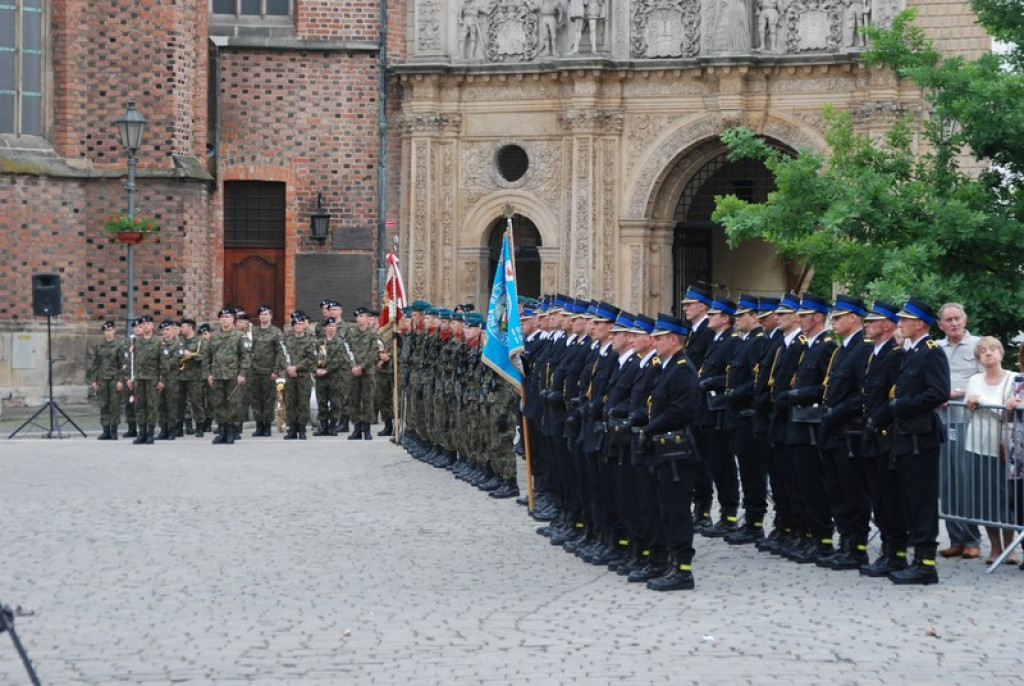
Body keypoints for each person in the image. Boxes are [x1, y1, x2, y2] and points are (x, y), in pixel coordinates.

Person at [888, 297, 949, 585]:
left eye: (905, 320)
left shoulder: (930, 352)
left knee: (922, 501)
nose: (900, 323)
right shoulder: (910, 352)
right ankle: (916, 559)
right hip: (906, 435)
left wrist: (904, 405)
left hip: (921, 437)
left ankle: (926, 565)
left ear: (920, 323)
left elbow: (938, 392)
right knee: (908, 498)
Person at [637, 313, 700, 591]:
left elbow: (680, 410)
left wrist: (650, 428)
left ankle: (683, 569)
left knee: (676, 511)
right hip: (662, 449)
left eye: (660, 338)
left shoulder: (683, 368)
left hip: (675, 451)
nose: (655, 341)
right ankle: (667, 563)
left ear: (674, 340)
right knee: (664, 509)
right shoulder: (668, 367)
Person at [963, 336, 1019, 564]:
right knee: (985, 500)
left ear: (1001, 353)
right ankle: (994, 547)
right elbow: (968, 405)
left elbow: (1012, 412)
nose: (988, 353)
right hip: (977, 444)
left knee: (1006, 499)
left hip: (1005, 447)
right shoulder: (975, 379)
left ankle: (1011, 548)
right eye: (983, 350)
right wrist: (982, 403)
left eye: (993, 349)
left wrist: (984, 402)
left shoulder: (1014, 378)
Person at [936, 303, 984, 559]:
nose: (953, 323)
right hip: (941, 422)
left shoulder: (977, 345)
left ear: (965, 320)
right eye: (948, 320)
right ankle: (955, 538)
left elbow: (985, 380)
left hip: (968, 422)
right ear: (940, 325)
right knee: (947, 483)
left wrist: (956, 394)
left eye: (957, 318)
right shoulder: (936, 347)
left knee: (966, 483)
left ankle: (972, 539)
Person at [205, 308, 249, 445]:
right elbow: (207, 356)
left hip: (233, 375)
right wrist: (209, 374)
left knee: (233, 404)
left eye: (227, 317)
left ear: (233, 319)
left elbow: (245, 356)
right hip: (217, 375)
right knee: (218, 403)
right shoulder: (214, 336)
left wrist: (242, 374)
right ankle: (222, 430)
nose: (224, 319)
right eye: (222, 317)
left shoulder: (239, 335)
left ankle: (231, 431)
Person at [279, 311, 315, 440]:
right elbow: (282, 356)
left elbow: (311, 358)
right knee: (291, 402)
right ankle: (292, 428)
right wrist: (288, 368)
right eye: (296, 324)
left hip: (303, 376)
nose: (299, 326)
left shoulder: (309, 340)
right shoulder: (287, 340)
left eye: (301, 324)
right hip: (290, 376)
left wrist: (296, 367)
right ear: (293, 326)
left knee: (303, 403)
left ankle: (302, 428)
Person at [249, 305, 283, 437]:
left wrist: (276, 370)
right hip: (254, 370)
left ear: (270, 316)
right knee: (256, 400)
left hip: (269, 371)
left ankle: (267, 425)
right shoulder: (253, 332)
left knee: (268, 400)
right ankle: (259, 425)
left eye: (265, 314)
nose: (263, 317)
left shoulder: (276, 332)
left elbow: (279, 352)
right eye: (261, 314)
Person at [88, 320, 125, 440]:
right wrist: (94, 380)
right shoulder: (100, 347)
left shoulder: (119, 346)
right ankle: (106, 430)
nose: (108, 333)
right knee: (103, 405)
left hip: (114, 379)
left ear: (114, 330)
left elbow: (123, 364)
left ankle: (114, 430)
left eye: (110, 330)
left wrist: (120, 380)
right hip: (102, 379)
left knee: (114, 405)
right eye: (106, 331)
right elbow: (95, 364)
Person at [347, 307, 379, 440]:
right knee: (354, 400)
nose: (359, 319)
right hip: (353, 373)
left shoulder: (373, 334)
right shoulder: (351, 333)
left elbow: (374, 353)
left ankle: (367, 429)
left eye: (362, 316)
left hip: (367, 373)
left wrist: (362, 367)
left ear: (368, 318)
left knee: (367, 400)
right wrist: (353, 367)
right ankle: (356, 429)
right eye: (358, 316)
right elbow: (346, 351)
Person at [128, 315, 160, 445]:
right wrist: (132, 378)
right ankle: (141, 432)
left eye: (148, 323)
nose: (145, 326)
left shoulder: (158, 341)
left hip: (153, 378)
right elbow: (134, 362)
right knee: (140, 406)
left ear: (152, 326)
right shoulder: (137, 342)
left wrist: (161, 379)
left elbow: (163, 362)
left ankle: (150, 433)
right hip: (139, 378)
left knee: (151, 406)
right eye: (143, 324)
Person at [177, 318, 207, 438]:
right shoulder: (179, 340)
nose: (181, 329)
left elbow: (205, 355)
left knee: (196, 402)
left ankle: (199, 426)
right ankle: (179, 427)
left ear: (190, 327)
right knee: (179, 403)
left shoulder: (200, 341)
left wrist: (192, 355)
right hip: (180, 375)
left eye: (183, 327)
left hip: (195, 377)